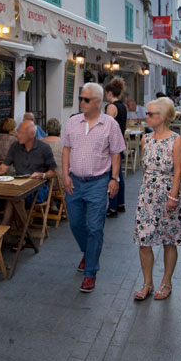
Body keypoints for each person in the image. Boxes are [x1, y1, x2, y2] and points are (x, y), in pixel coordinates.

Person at [62, 82, 125, 293]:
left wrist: (114, 178)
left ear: (97, 102)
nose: (81, 102)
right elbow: (66, 150)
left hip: (98, 182)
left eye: (86, 99)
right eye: (81, 98)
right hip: (74, 181)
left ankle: (90, 272)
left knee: (95, 227)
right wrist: (65, 175)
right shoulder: (72, 122)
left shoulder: (110, 124)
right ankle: (88, 253)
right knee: (76, 223)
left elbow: (116, 152)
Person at [133, 98, 181, 301]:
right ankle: (147, 282)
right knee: (144, 240)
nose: (146, 117)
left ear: (163, 116)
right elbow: (145, 168)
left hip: (168, 194)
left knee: (169, 240)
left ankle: (166, 282)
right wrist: (146, 192)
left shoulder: (176, 140)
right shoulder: (145, 139)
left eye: (151, 114)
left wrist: (173, 196)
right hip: (148, 194)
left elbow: (178, 170)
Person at [0, 119, 57, 204]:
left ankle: (10, 218)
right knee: (12, 195)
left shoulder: (44, 148)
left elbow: (53, 172)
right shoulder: (15, 146)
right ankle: (15, 218)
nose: (18, 135)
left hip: (37, 188)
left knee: (16, 197)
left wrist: (42, 175)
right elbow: (3, 168)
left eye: (21, 133)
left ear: (32, 134)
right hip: (18, 184)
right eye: (18, 132)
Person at [104, 78, 129, 217]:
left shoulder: (111, 107)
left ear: (109, 93)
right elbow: (124, 125)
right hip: (120, 143)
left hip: (112, 146)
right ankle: (121, 204)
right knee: (119, 175)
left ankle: (112, 207)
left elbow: (108, 127)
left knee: (112, 176)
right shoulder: (123, 107)